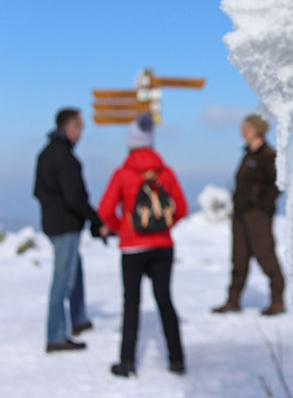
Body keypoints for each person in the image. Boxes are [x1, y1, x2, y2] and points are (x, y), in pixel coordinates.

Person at [98, 113, 187, 377]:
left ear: (130, 143)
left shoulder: (123, 173)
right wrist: (163, 227)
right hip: (163, 247)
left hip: (132, 248)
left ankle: (127, 363)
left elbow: (104, 211)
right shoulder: (166, 172)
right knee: (165, 301)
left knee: (131, 304)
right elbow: (180, 208)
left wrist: (120, 228)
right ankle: (177, 359)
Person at [34, 108, 107, 353]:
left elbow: (38, 191)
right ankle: (55, 336)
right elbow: (75, 196)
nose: (82, 133)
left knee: (74, 271)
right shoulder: (65, 158)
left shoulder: (45, 154)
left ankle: (78, 318)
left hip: (54, 224)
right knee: (63, 280)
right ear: (70, 128)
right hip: (65, 226)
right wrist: (95, 219)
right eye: (81, 127)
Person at [212, 114, 285, 316]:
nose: (242, 132)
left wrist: (262, 206)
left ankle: (278, 301)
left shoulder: (268, 155)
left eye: (246, 128)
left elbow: (279, 184)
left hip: (257, 217)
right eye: (242, 128)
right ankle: (233, 301)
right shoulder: (247, 154)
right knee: (239, 259)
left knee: (266, 257)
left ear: (257, 129)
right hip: (240, 216)